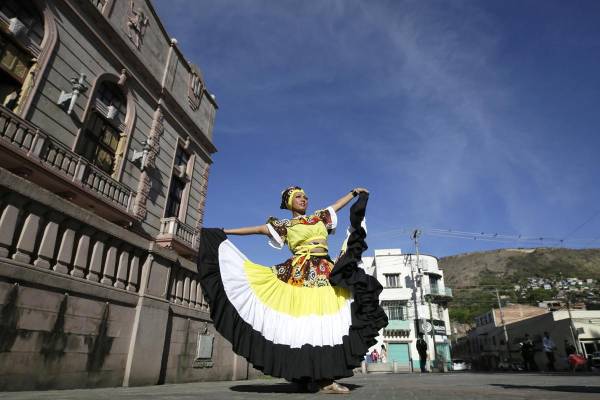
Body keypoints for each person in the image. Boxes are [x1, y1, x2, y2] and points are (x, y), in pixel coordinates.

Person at [197, 187, 388, 394]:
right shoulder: (284, 225)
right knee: (304, 327)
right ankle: (310, 377)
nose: (304, 199)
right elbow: (256, 229)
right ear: (289, 202)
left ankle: (323, 377)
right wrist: (224, 232)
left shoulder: (319, 218)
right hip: (298, 275)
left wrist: (353, 194)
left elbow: (336, 206)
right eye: (298, 197)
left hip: (325, 271)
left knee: (325, 324)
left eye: (306, 196)